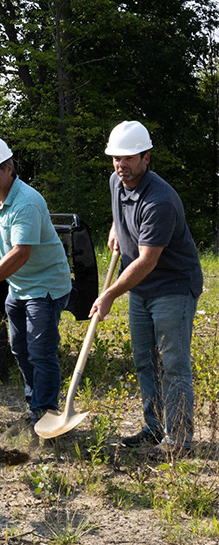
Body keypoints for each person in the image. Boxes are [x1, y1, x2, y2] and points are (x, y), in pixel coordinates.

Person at [90, 121, 202, 455]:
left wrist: (109, 293)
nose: (120, 165)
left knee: (172, 364)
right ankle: (154, 428)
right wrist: (116, 226)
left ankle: (179, 440)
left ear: (146, 158)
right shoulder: (116, 182)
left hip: (172, 286)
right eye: (115, 158)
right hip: (140, 289)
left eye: (128, 158)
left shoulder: (161, 201)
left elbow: (147, 260)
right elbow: (122, 207)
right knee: (144, 361)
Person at [0, 136, 72, 428]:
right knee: (19, 347)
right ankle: (34, 403)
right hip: (20, 286)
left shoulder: (27, 203)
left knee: (40, 350)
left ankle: (45, 412)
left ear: (9, 168)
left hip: (45, 286)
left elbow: (21, 254)